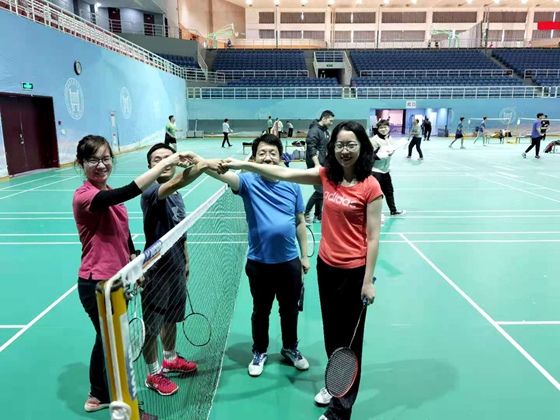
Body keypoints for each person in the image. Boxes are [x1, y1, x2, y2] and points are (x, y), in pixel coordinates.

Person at [222, 121, 382, 420]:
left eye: (351, 144)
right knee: (332, 335)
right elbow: (282, 173)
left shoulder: (370, 185)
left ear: (362, 147)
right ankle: (336, 385)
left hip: (354, 271)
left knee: (349, 342)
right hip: (326, 267)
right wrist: (244, 164)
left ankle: (340, 411)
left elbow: (373, 237)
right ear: (332, 148)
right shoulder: (327, 176)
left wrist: (368, 280)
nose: (344, 150)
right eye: (339, 145)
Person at [72, 135, 191, 413]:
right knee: (113, 344)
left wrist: (133, 261)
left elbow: (122, 234)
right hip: (98, 282)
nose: (101, 165)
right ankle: (121, 406)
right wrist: (172, 159)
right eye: (93, 160)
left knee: (106, 341)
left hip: (118, 279)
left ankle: (99, 395)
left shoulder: (107, 191)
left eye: (105, 158)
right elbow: (130, 190)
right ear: (81, 163)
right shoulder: (85, 196)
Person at [186, 134, 311, 378]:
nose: (268, 157)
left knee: (289, 310)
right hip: (259, 263)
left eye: (273, 153)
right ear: (254, 157)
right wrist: (198, 160)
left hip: (289, 262)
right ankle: (259, 351)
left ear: (281, 156)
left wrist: (304, 256)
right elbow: (221, 174)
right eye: (262, 153)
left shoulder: (292, 184)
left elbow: (299, 222)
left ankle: (290, 348)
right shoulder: (247, 182)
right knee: (260, 311)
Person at [140, 143, 225, 396]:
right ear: (150, 167)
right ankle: (154, 373)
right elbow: (176, 182)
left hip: (175, 264)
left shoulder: (177, 194)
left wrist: (185, 258)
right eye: (158, 160)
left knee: (172, 317)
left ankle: (170, 358)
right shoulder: (152, 191)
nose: (164, 162)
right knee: (152, 325)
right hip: (156, 270)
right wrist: (204, 164)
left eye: (169, 158)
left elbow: (180, 229)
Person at [304, 110, 335, 225]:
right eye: (330, 120)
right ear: (324, 118)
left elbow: (325, 148)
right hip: (315, 165)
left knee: (322, 191)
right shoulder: (314, 131)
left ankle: (317, 215)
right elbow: (311, 148)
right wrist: (317, 164)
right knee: (320, 191)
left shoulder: (325, 131)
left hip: (323, 164)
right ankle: (305, 214)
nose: (331, 123)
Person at [370, 119, 406, 216]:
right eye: (381, 128)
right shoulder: (373, 140)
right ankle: (373, 212)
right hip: (375, 171)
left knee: (389, 191)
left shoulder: (389, 139)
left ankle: (393, 210)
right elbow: (370, 156)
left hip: (385, 170)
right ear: (378, 129)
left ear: (388, 128)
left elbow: (390, 151)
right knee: (375, 193)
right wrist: (385, 155)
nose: (383, 129)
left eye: (385, 127)